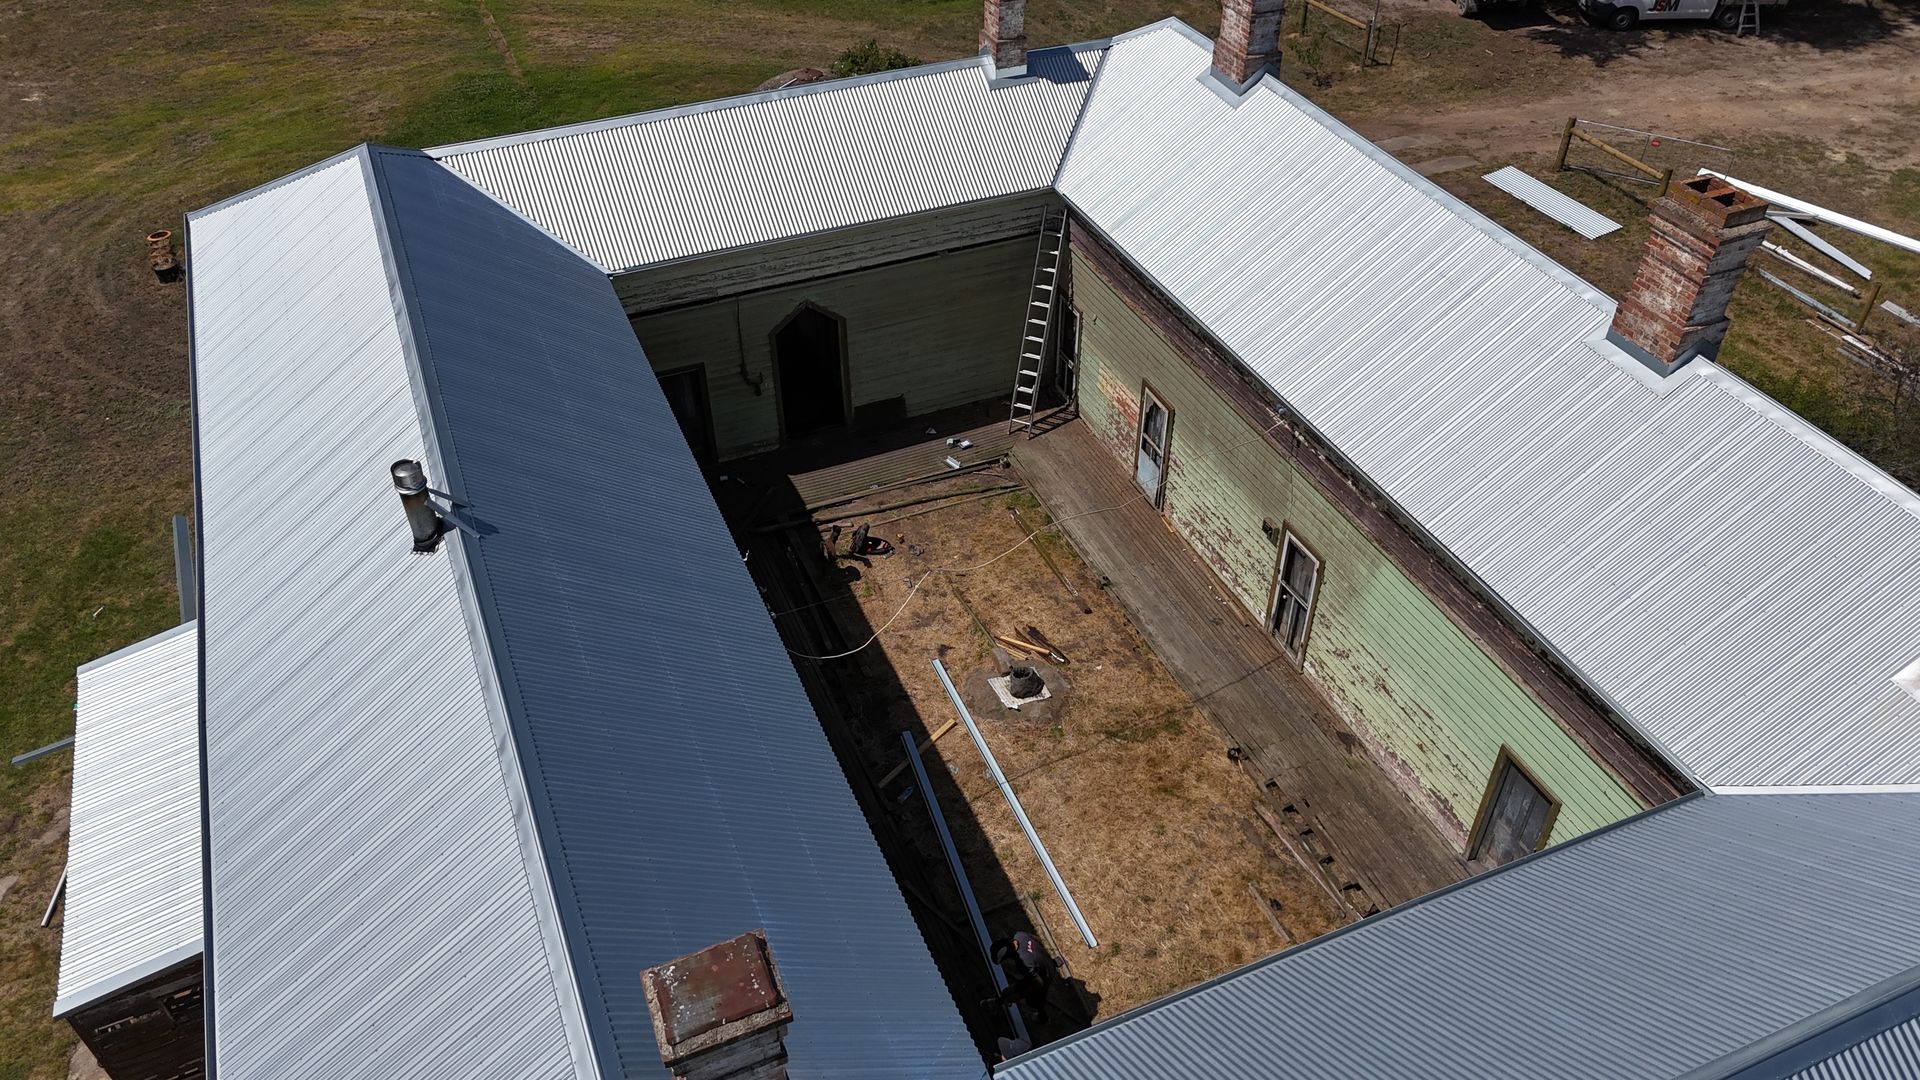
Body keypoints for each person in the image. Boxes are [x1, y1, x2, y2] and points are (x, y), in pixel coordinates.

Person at [989, 931, 1057, 1020]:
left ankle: (1042, 1018)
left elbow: (1038, 983)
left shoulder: (1023, 963)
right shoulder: (1019, 935)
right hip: (1043, 961)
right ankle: (997, 1002)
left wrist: (1020, 996)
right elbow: (1036, 938)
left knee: (1035, 1001)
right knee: (1009, 991)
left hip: (1047, 973)